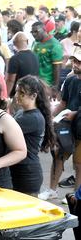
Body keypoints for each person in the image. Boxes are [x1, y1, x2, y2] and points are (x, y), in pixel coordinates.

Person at [40, 49, 81, 199]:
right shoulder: (70, 80)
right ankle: (52, 190)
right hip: (67, 127)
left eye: (79, 62)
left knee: (79, 164)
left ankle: (76, 196)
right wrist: (50, 117)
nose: (75, 64)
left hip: (80, 129)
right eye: (74, 61)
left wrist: (75, 114)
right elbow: (63, 103)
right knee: (58, 156)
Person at [11, 76, 56, 196]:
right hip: (20, 170)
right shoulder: (23, 113)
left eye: (22, 93)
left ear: (34, 96)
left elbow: (4, 131)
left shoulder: (32, 118)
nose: (16, 95)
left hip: (26, 174)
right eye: (16, 91)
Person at [31, 21, 63, 96]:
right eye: (32, 32)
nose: (34, 34)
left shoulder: (54, 45)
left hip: (46, 84)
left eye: (36, 32)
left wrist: (54, 88)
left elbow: (57, 68)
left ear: (44, 30)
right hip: (35, 82)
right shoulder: (35, 43)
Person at [6, 31, 39, 98]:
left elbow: (10, 81)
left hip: (19, 94)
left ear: (14, 44)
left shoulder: (14, 59)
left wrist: (5, 96)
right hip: (33, 91)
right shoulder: (35, 56)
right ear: (27, 41)